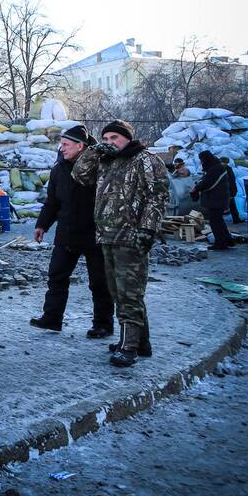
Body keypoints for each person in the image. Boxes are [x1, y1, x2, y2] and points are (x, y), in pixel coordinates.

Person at [73, 119, 169, 367]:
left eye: (114, 138)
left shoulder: (144, 159)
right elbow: (79, 176)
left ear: (127, 138)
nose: (109, 143)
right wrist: (94, 151)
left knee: (130, 293)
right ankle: (140, 341)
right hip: (107, 235)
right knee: (118, 291)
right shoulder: (106, 161)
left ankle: (129, 347)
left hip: (132, 236)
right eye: (105, 139)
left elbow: (157, 196)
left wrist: (148, 229)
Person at [29, 125, 114, 338]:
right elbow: (52, 202)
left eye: (66, 145)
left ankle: (103, 324)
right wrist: (42, 225)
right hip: (66, 233)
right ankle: (52, 318)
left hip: (95, 235)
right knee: (56, 276)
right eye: (62, 144)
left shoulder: (100, 167)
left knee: (100, 282)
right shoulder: (59, 169)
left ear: (80, 146)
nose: (62, 148)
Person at [192, 151, 234, 251]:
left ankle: (220, 243)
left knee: (215, 222)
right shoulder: (215, 167)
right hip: (218, 198)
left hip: (216, 199)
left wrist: (196, 188)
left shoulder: (215, 169)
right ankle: (227, 240)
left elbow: (208, 182)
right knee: (219, 220)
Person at [220, 157, 242, 223]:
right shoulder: (223, 169)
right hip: (223, 190)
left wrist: (233, 191)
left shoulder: (228, 169)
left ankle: (236, 219)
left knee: (231, 205)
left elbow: (232, 180)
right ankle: (235, 219)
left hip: (227, 190)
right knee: (223, 206)